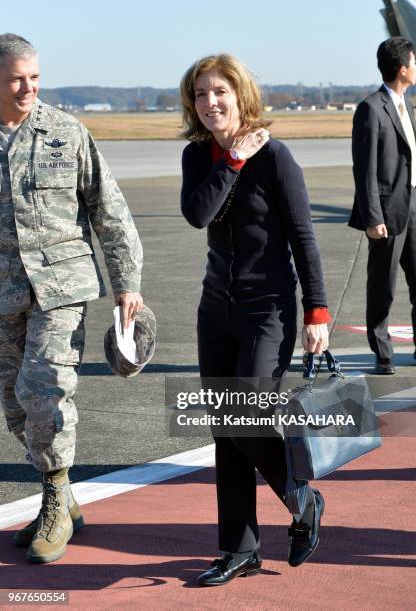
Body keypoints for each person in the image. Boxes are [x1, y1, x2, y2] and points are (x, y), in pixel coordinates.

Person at [180, 54, 331, 586]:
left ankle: (301, 497)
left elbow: (303, 237)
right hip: (214, 309)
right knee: (227, 429)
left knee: (246, 414)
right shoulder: (199, 157)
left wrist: (317, 309)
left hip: (268, 308)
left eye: (219, 91)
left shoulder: (277, 157)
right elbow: (198, 213)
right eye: (200, 94)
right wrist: (231, 162)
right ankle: (240, 548)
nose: (209, 103)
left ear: (240, 95)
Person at [0, 34, 143, 563]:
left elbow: (110, 211)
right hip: (3, 294)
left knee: (47, 389)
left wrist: (127, 282)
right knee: (16, 406)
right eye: (17, 78)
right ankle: (60, 490)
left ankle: (56, 499)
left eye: (34, 77)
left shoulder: (64, 132)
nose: (28, 87)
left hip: (61, 288)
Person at [349, 36, 416, 374]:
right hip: (387, 212)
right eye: (415, 62)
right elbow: (364, 170)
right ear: (402, 68)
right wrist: (372, 217)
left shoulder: (408, 107)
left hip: (414, 205)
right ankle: (384, 353)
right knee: (383, 286)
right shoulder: (371, 109)